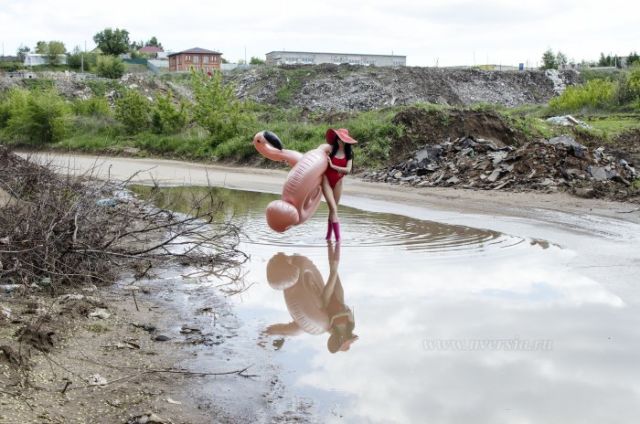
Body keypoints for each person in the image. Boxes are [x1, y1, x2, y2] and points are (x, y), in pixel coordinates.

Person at [322, 128, 357, 242]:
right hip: (326, 180)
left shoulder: (349, 154)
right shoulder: (330, 150)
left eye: (343, 140)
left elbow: (347, 170)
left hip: (338, 182)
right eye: (339, 139)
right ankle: (338, 239)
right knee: (333, 208)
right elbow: (318, 156)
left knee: (333, 210)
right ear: (336, 139)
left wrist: (333, 166)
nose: (340, 142)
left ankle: (328, 237)